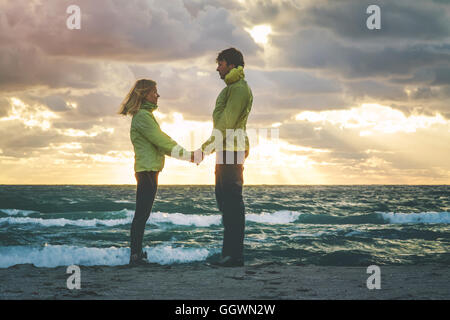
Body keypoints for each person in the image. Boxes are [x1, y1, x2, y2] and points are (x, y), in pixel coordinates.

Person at [118, 79, 202, 266]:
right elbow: (162, 141)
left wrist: (188, 156)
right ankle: (135, 256)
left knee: (142, 215)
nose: (158, 95)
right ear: (144, 94)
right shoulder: (142, 117)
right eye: (154, 92)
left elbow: (161, 144)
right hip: (146, 171)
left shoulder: (145, 116)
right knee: (141, 215)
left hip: (149, 170)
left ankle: (137, 254)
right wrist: (189, 156)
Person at [199, 48, 253, 267]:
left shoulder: (239, 89)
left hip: (232, 149)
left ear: (231, 64)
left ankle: (233, 256)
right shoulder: (232, 89)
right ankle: (229, 254)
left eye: (220, 63)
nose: (217, 68)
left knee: (231, 203)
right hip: (225, 150)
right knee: (224, 201)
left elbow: (227, 122)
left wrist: (204, 149)